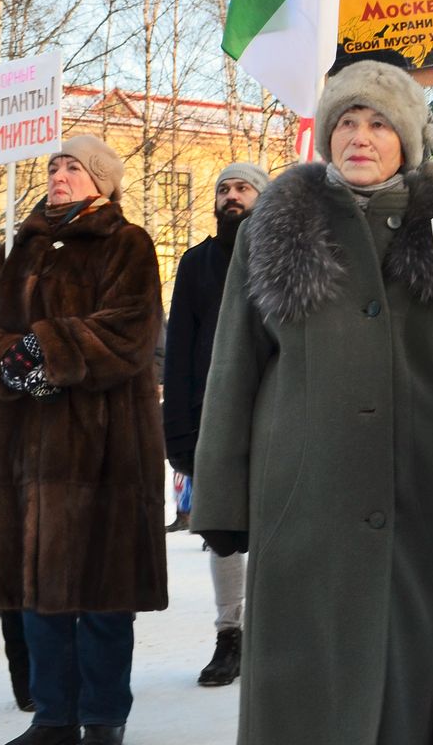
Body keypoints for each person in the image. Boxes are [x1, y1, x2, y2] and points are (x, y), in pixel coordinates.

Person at [191, 60, 433, 745]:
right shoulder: (276, 223)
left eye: (378, 123)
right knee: (305, 697)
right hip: (303, 507)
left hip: (424, 507)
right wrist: (221, 502)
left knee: (411, 693)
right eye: (346, 121)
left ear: (407, 138)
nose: (360, 137)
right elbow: (233, 367)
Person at [0, 135, 166, 745]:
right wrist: (8, 367)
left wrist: (47, 347)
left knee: (100, 594)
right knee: (36, 591)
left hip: (102, 446)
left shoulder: (129, 243)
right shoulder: (18, 248)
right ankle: (53, 717)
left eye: (74, 166)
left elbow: (130, 330)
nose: (59, 174)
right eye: (54, 165)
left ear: (103, 181)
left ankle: (102, 718)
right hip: (21, 444)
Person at [162, 162, 268, 688]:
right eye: (223, 188)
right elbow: (178, 347)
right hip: (213, 416)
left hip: (275, 414)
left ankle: (274, 631)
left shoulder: (282, 253)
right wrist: (178, 431)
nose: (231, 195)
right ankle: (231, 633)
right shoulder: (197, 262)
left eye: (243, 187)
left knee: (278, 526)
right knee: (223, 533)